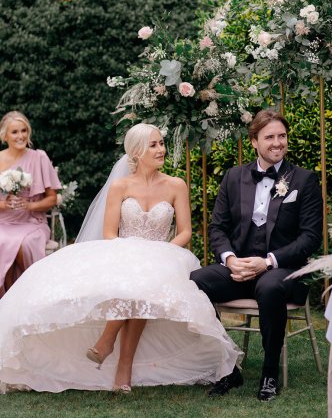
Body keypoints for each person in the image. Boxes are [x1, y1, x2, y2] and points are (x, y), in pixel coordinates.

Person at [0, 123, 240, 393]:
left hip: (166, 254)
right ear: (136, 152)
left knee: (148, 277)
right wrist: (134, 254)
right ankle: (121, 365)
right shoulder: (120, 186)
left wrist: (161, 253)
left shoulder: (176, 185)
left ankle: (108, 340)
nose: (161, 149)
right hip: (124, 252)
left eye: (161, 143)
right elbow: (109, 233)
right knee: (137, 280)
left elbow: (184, 232)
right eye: (154, 145)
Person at [191, 109, 323, 402]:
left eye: (282, 136)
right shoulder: (234, 177)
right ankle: (226, 366)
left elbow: (310, 237)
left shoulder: (304, 180)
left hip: (284, 270)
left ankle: (269, 371)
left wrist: (267, 262)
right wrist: (229, 259)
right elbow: (217, 228)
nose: (278, 143)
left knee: (269, 285)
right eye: (270, 137)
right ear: (254, 141)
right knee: (194, 282)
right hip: (239, 267)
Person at [0, 111, 61, 298]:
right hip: (4, 222)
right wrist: (2, 205)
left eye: (24, 131)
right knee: (2, 241)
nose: (21, 136)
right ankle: (8, 297)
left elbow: (52, 199)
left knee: (24, 244)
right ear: (5, 136)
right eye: (15, 132)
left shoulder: (39, 157)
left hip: (32, 222)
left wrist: (29, 206)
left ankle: (30, 294)